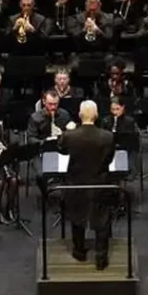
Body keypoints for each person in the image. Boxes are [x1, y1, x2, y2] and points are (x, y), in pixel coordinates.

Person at [56, 101, 117, 269]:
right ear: (96, 115)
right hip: (100, 183)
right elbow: (110, 159)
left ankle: (79, 251)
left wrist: (67, 131)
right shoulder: (108, 136)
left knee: (77, 217)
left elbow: (61, 148)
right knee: (102, 220)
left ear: (80, 115)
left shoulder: (71, 136)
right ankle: (101, 258)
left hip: (76, 183)